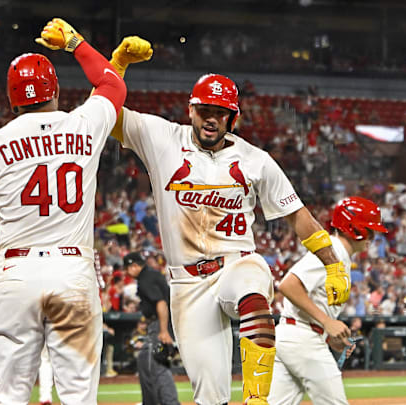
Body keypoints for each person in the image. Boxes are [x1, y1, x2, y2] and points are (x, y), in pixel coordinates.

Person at [107, 37, 351, 404]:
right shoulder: (163, 138)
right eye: (205, 109)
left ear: (231, 117)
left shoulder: (256, 159)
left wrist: (333, 265)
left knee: (254, 288)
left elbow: (296, 214)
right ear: (191, 110)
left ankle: (256, 399)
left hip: (235, 264)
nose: (211, 117)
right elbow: (107, 114)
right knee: (210, 396)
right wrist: (118, 65)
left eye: (220, 112)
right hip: (186, 285)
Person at [0, 17, 126, 405]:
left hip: (18, 273)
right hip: (72, 271)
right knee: (80, 397)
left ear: (12, 98)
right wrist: (75, 44)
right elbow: (113, 84)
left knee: (10, 395)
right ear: (56, 90)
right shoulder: (83, 123)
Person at [267, 197, 387, 405]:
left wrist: (327, 331)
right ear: (354, 228)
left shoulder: (340, 254)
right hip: (303, 339)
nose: (373, 236)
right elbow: (288, 284)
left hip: (294, 336)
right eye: (370, 229)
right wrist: (326, 322)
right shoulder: (333, 250)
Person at [123, 251, 180, 405]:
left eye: (127, 268)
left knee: (157, 365)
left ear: (134, 266)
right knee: (144, 360)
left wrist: (163, 331)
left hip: (160, 324)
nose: (126, 272)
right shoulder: (150, 275)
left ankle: (170, 403)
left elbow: (160, 303)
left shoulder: (146, 278)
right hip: (162, 323)